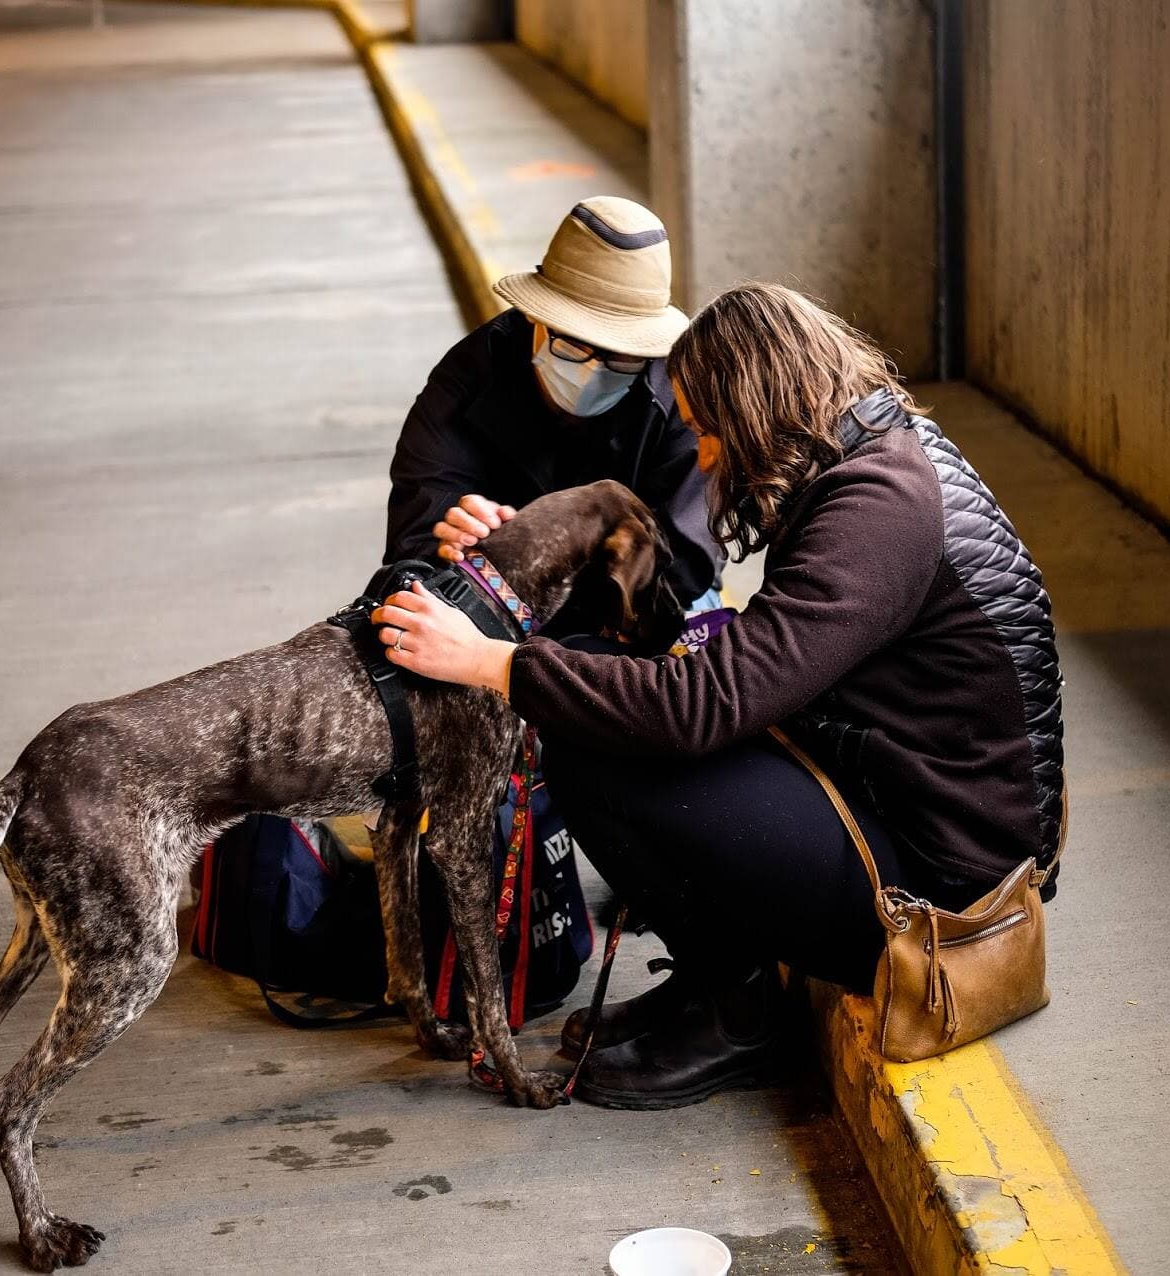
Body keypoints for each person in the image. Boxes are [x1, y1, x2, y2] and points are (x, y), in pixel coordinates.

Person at [374, 283, 1065, 1110]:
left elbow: (698, 708)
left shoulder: (879, 508)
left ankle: (738, 1018)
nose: (703, 456)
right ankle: (712, 981)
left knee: (600, 742)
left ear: (753, 408)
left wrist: (493, 663)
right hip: (900, 798)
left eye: (707, 431)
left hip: (943, 891)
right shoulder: (878, 455)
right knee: (595, 684)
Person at [384, 195, 722, 610]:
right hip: (498, 597)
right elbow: (412, 543)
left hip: (638, 605)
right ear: (536, 316)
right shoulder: (468, 376)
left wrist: (542, 564)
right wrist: (451, 536)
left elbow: (688, 564)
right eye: (575, 344)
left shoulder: (684, 395)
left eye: (622, 354)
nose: (594, 370)